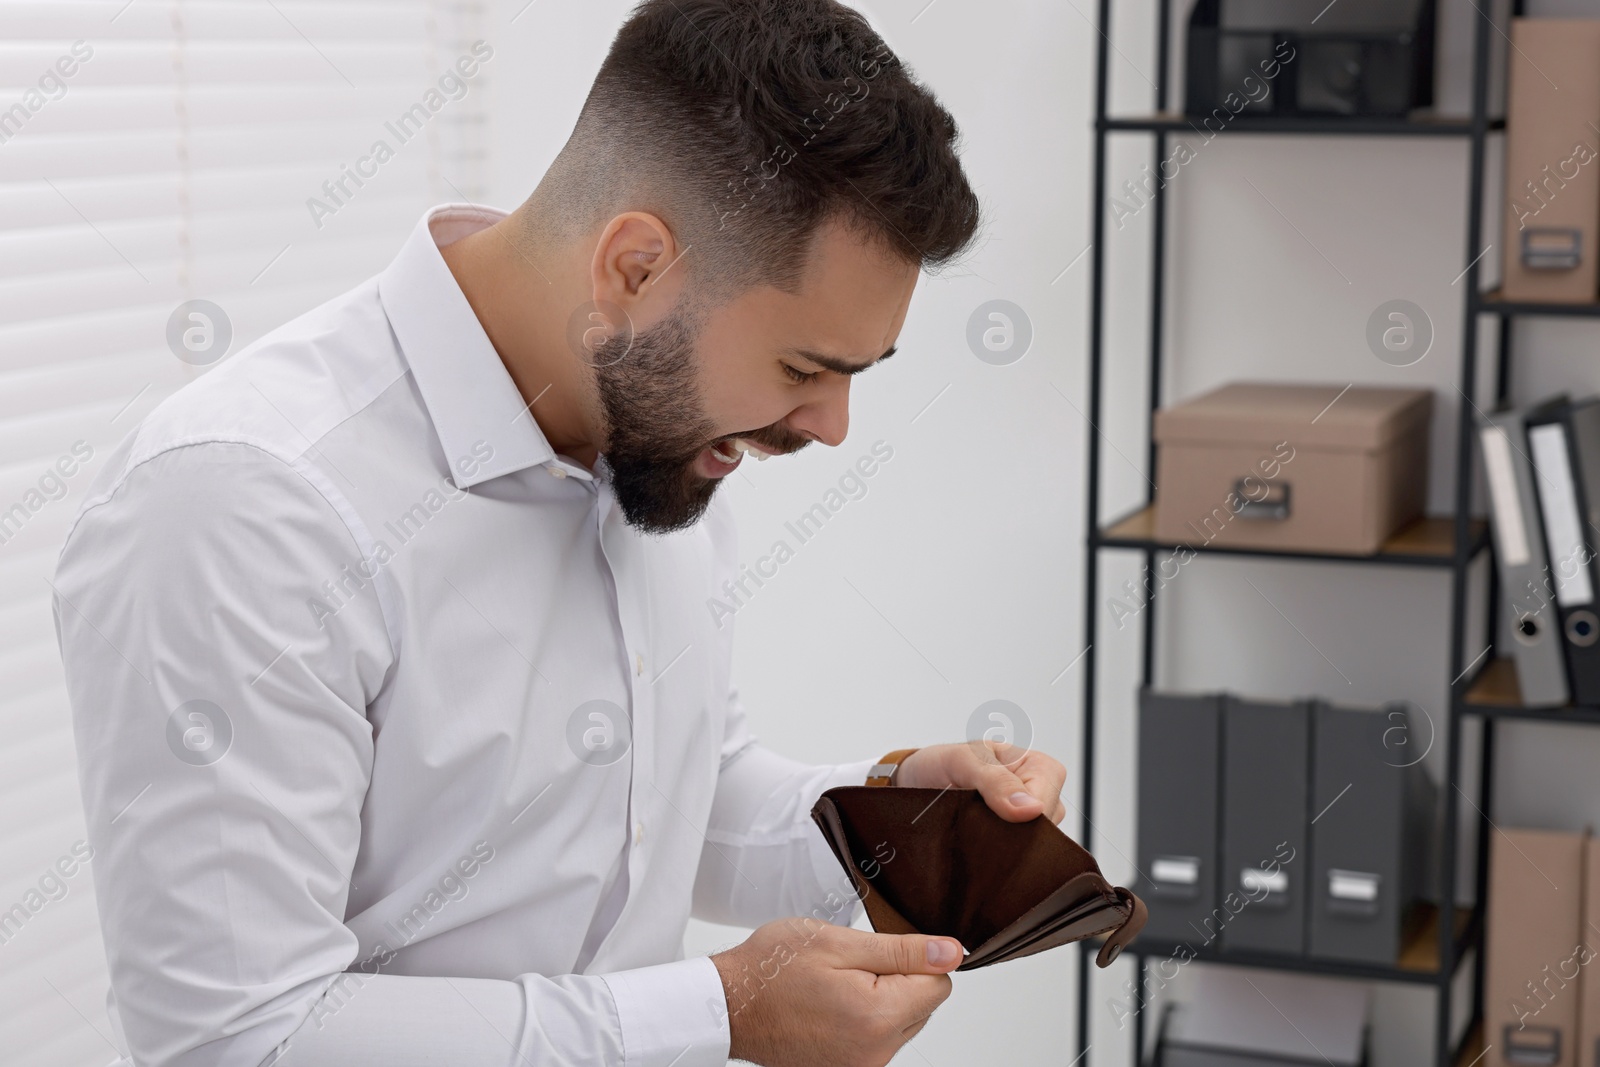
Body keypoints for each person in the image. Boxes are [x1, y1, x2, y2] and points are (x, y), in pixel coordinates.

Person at [52, 2, 1067, 1064]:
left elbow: (670, 800)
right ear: (633, 268)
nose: (828, 426)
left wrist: (892, 812)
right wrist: (723, 1009)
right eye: (804, 369)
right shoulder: (247, 507)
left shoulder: (654, 438)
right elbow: (234, 1034)